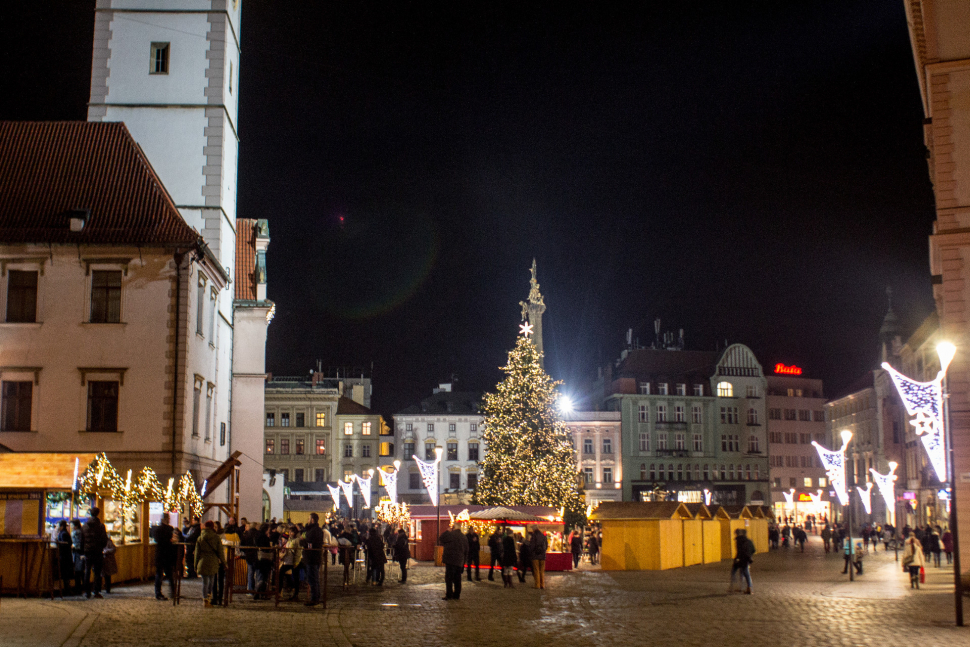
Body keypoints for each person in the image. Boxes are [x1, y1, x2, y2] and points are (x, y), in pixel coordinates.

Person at [194, 520, 225, 607]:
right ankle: (209, 595)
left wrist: (195, 565)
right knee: (212, 580)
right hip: (213, 561)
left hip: (203, 561)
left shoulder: (200, 537)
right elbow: (220, 552)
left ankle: (205, 599)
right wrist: (224, 563)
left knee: (205, 581)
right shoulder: (216, 537)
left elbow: (197, 553)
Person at [82, 507, 108, 599]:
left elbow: (82, 539)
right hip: (97, 552)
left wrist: (84, 550)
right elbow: (104, 539)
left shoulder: (85, 526)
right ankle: (96, 591)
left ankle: (87, 592)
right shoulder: (101, 526)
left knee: (87, 572)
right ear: (98, 514)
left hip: (87, 551)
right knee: (97, 572)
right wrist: (101, 547)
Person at [438, 523, 468, 600]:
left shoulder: (450, 535)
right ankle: (457, 594)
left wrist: (447, 531)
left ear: (453, 527)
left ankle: (449, 594)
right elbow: (466, 550)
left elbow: (441, 538)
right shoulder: (463, 537)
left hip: (450, 559)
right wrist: (463, 561)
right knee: (457, 578)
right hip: (459, 561)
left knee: (449, 578)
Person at [152, 513, 178, 600]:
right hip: (167, 554)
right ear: (167, 519)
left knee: (159, 574)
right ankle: (173, 592)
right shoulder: (170, 529)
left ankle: (158, 593)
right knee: (169, 574)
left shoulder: (156, 529)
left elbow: (156, 540)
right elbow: (172, 540)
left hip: (159, 554)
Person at [301, 513, 325, 606]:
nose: (307, 520)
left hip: (311, 557)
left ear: (312, 520)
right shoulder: (318, 530)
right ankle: (316, 597)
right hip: (315, 557)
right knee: (315, 578)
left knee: (312, 579)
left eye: (308, 519)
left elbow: (308, 542)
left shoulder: (313, 531)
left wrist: (302, 540)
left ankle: (314, 598)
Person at [729, 528, 755, 594]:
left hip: (740, 559)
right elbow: (753, 550)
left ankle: (733, 586)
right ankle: (748, 588)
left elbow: (739, 551)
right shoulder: (749, 541)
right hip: (746, 559)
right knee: (746, 573)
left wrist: (736, 559)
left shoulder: (739, 541)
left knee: (734, 572)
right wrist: (749, 555)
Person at [55, 520, 75, 595]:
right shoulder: (64, 533)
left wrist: (58, 543)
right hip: (66, 556)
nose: (57, 527)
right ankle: (67, 589)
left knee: (65, 573)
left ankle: (67, 589)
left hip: (64, 557)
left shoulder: (63, 534)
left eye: (58, 525)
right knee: (66, 574)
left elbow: (65, 545)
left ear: (61, 526)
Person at [71, 519, 85, 596]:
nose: (71, 527)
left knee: (78, 572)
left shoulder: (76, 533)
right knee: (81, 572)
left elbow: (77, 545)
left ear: (75, 526)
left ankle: (78, 590)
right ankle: (86, 588)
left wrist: (73, 546)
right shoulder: (82, 531)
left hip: (77, 554)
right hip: (82, 554)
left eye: (72, 525)